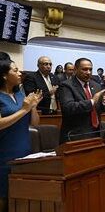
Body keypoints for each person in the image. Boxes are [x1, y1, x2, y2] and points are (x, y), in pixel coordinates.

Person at [0, 59, 42, 212]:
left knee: (19, 199)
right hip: (3, 154)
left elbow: (35, 123)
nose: (20, 73)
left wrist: (33, 107)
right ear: (4, 75)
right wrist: (24, 109)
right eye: (15, 70)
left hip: (23, 151)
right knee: (3, 198)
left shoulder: (20, 93)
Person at [59, 58, 105, 143]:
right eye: (85, 69)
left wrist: (104, 103)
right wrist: (92, 101)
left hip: (96, 132)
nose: (88, 72)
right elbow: (68, 108)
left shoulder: (96, 86)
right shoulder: (66, 85)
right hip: (76, 136)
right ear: (75, 69)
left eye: (90, 69)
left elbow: (100, 109)